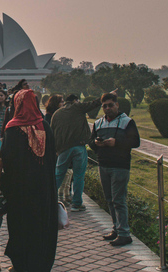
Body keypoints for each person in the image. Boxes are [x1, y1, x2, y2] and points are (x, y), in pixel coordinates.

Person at [1, 89, 57, 272]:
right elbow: (52, 158)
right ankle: (40, 264)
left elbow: (7, 160)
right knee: (40, 224)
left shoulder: (12, 129)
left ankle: (21, 264)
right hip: (43, 188)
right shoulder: (45, 126)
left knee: (20, 225)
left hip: (19, 189)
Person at [90, 92, 140, 247]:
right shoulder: (98, 123)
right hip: (103, 164)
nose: (107, 108)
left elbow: (135, 141)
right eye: (104, 106)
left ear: (117, 105)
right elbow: (91, 142)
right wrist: (96, 143)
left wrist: (116, 142)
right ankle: (116, 229)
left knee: (118, 200)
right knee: (110, 200)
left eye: (110, 105)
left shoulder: (127, 122)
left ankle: (124, 234)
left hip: (120, 166)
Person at [49, 94, 101, 212]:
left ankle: (49, 199)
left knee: (58, 175)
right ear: (75, 101)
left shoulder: (57, 114)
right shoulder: (77, 107)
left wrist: (56, 149)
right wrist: (106, 96)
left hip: (63, 149)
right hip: (79, 146)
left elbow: (52, 132)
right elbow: (93, 104)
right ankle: (77, 203)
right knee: (79, 176)